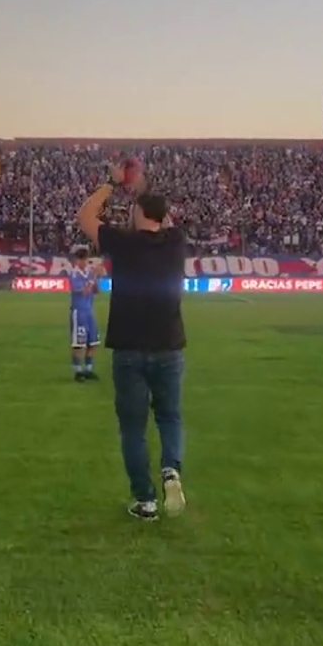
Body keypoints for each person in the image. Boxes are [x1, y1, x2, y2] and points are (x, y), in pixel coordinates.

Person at [76, 160, 187, 521]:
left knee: (133, 428)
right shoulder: (176, 242)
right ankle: (171, 470)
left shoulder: (122, 243)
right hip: (169, 346)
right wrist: (142, 190)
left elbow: (85, 216)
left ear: (137, 214)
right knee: (170, 417)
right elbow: (163, 217)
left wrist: (113, 183)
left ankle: (146, 500)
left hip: (129, 349)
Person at [68, 247, 100, 382]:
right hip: (79, 312)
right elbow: (84, 292)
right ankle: (78, 371)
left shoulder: (89, 273)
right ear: (76, 260)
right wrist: (94, 277)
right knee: (79, 344)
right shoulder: (74, 274)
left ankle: (88, 369)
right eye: (81, 259)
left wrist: (96, 279)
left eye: (85, 259)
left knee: (93, 342)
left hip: (89, 311)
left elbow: (96, 291)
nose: (84, 261)